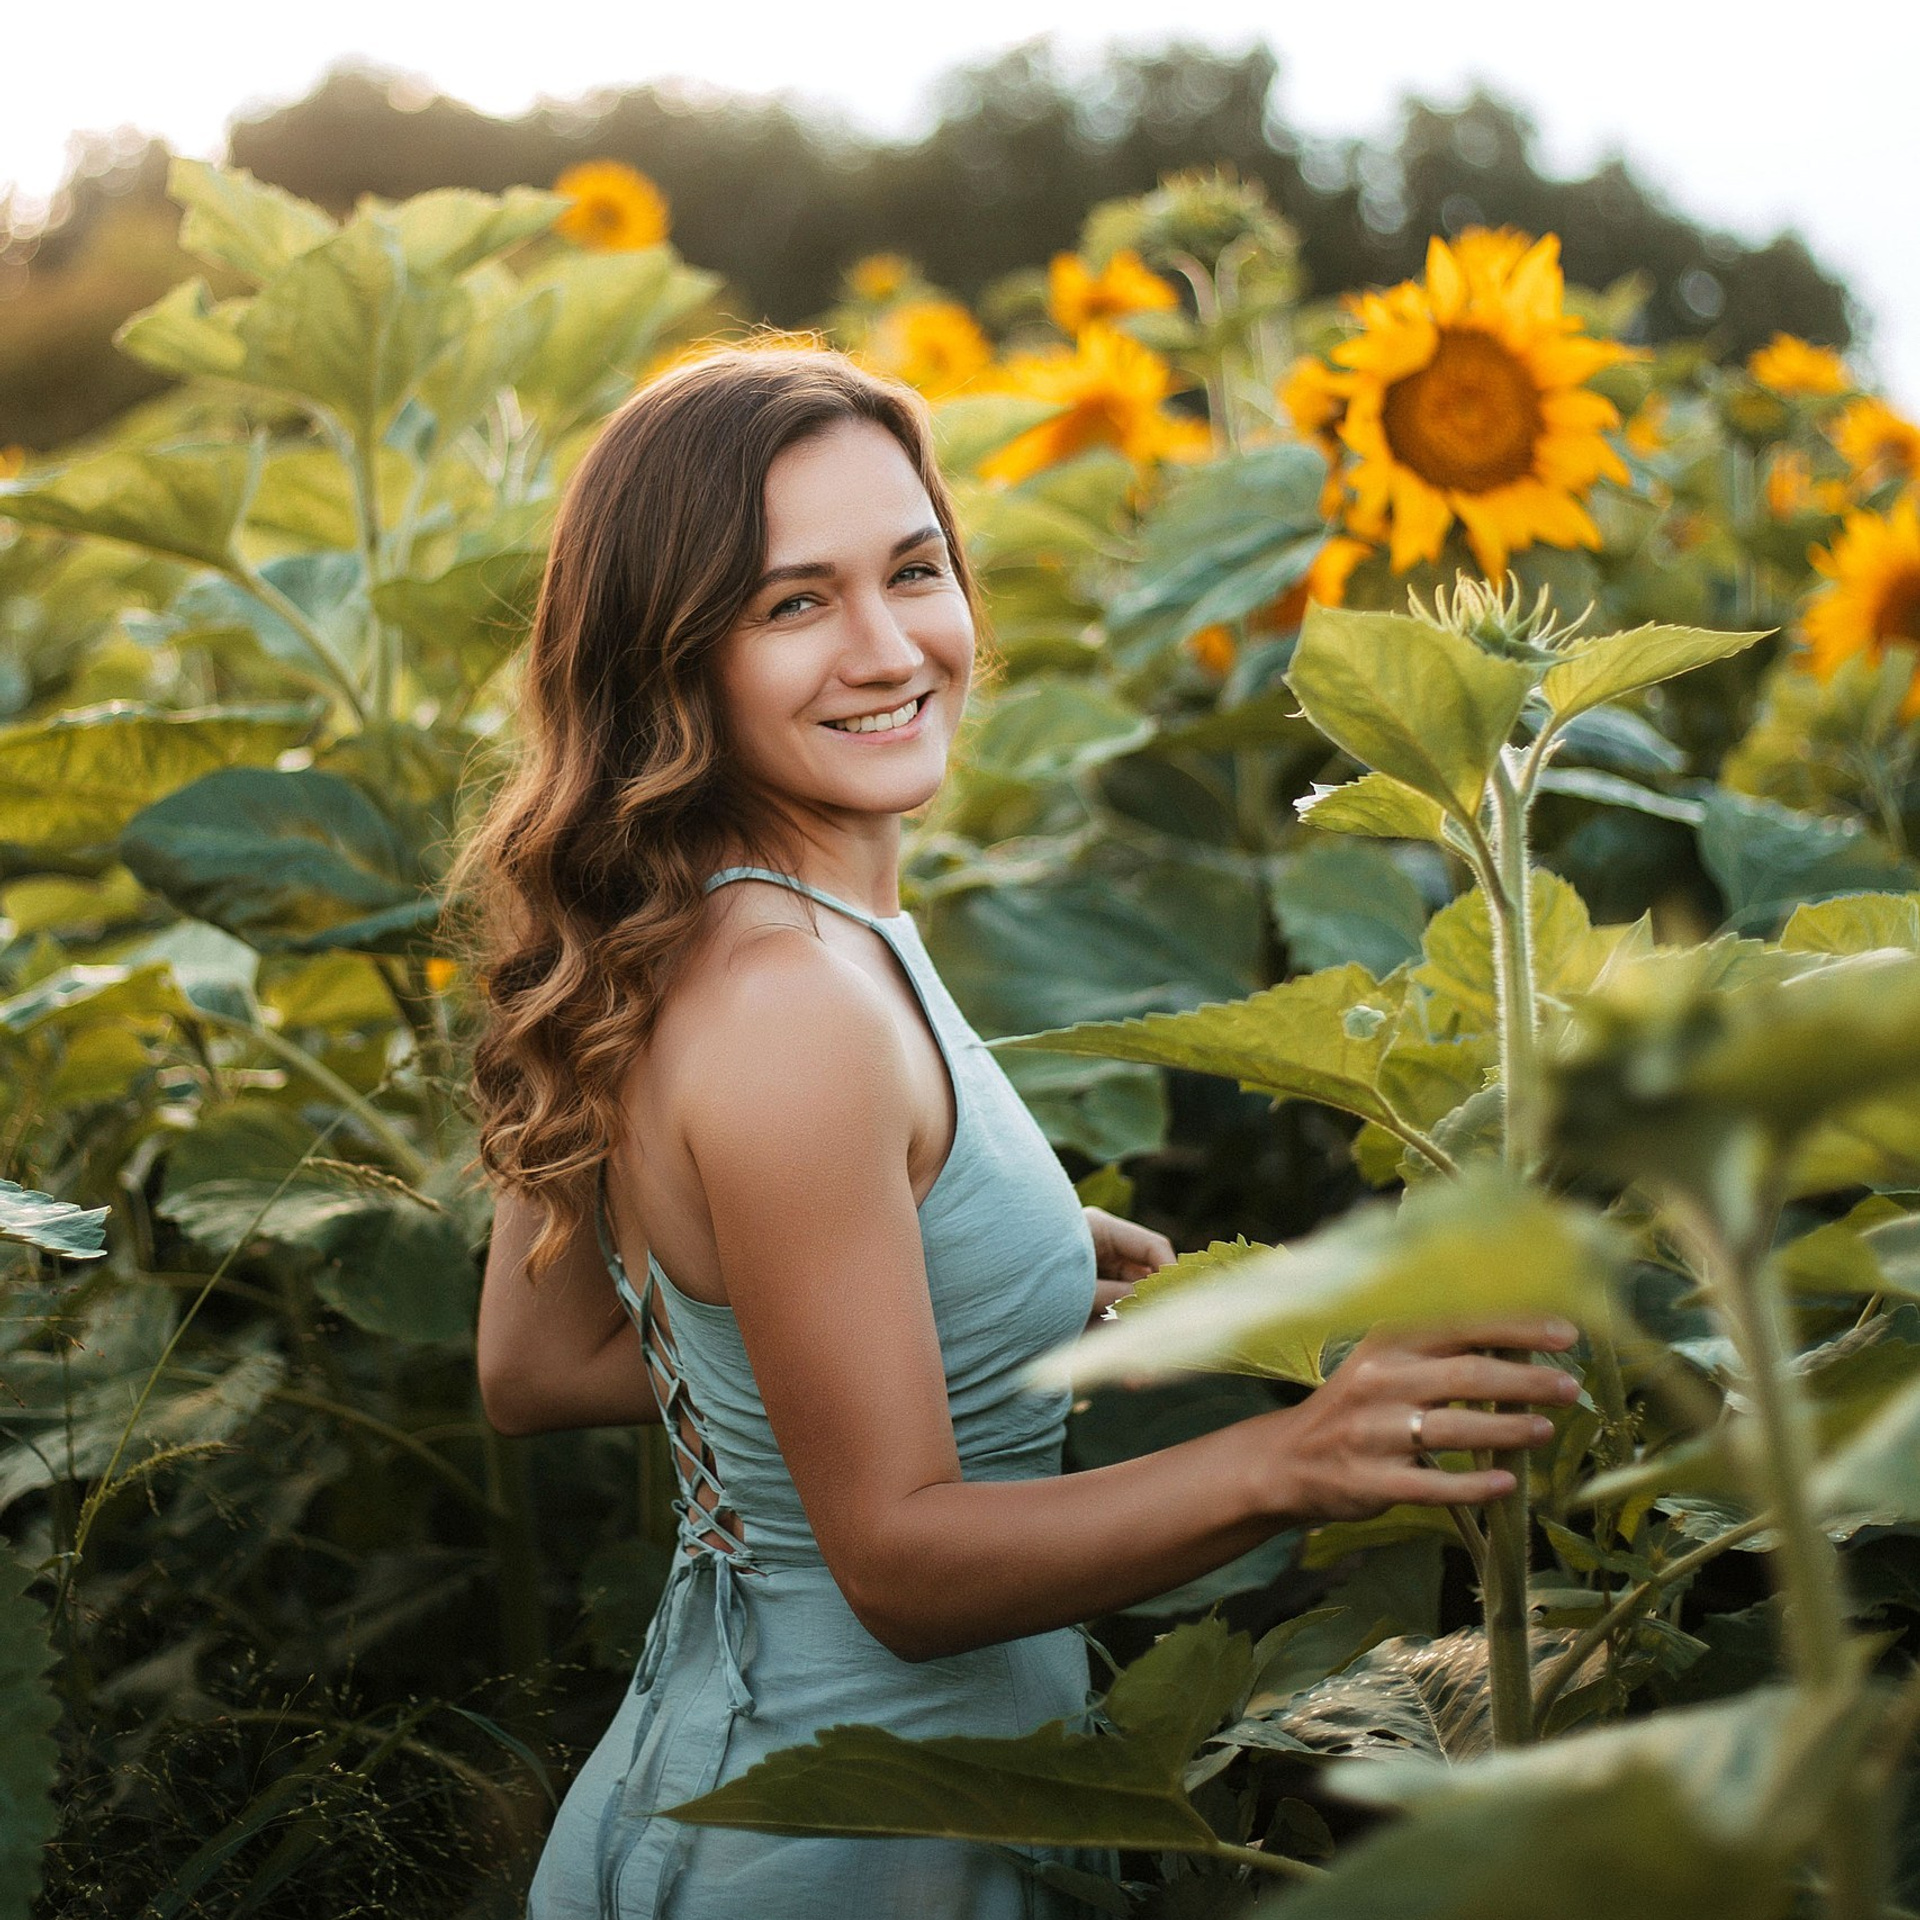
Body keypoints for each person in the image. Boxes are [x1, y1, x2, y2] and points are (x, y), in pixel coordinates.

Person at [459, 345, 1581, 1920]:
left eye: (914, 571)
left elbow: (538, 1364)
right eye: (793, 604)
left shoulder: (693, 934)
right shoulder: (798, 1011)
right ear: (673, 659)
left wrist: (971, 1294)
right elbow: (902, 1569)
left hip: (729, 1785)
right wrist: (1296, 1456)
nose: (886, 646)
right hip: (851, 1845)